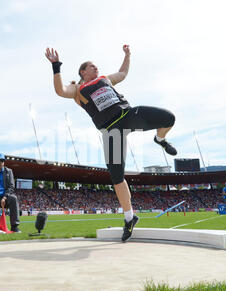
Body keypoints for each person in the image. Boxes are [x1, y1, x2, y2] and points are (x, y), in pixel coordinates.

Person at [45, 45, 177, 242]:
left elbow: (123, 73)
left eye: (96, 66)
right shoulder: (78, 89)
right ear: (83, 71)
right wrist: (56, 66)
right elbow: (60, 90)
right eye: (92, 66)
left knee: (168, 118)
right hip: (111, 130)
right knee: (116, 176)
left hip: (128, 115)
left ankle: (160, 139)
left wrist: (128, 55)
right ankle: (129, 218)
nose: (96, 68)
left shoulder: (105, 78)